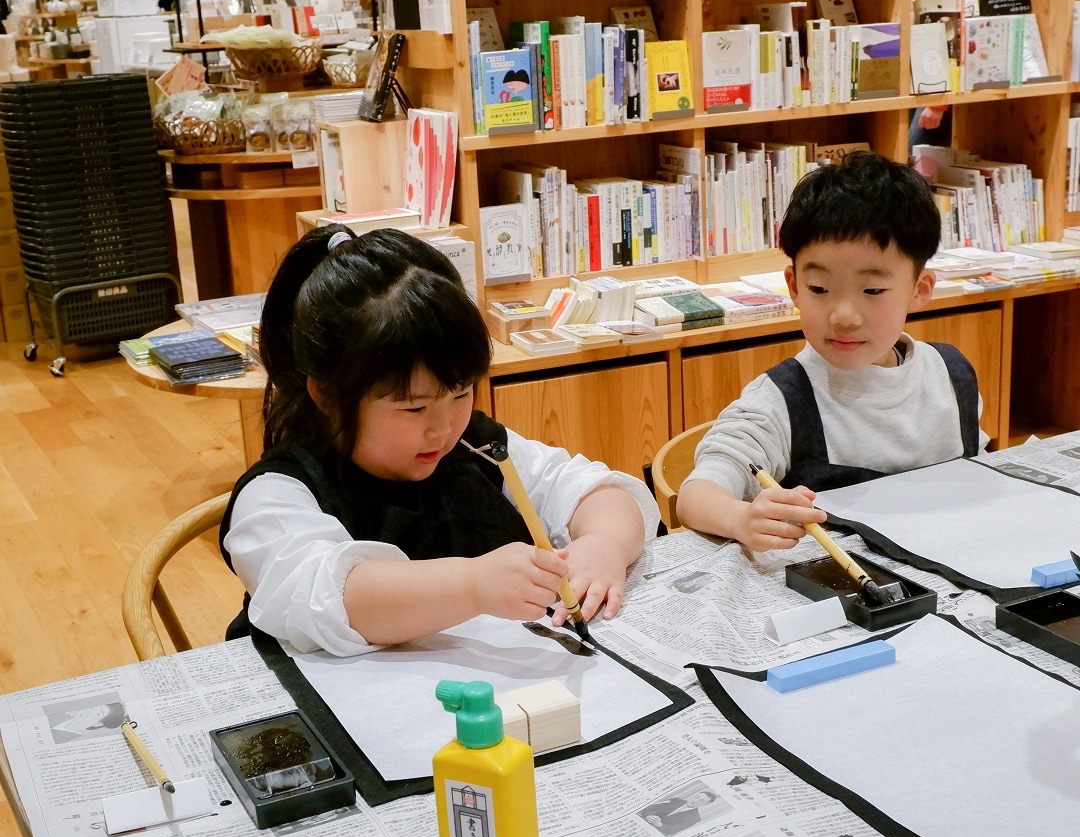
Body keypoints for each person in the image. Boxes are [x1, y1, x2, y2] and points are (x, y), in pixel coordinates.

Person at [220, 226, 658, 654]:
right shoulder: (279, 493)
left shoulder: (478, 448)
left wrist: (603, 545)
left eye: (461, 393)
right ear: (328, 395)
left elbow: (595, 491)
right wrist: (472, 585)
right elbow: (330, 598)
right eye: (414, 407)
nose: (444, 427)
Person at [677, 150, 987, 550]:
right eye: (819, 290)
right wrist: (741, 517)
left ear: (919, 289)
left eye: (872, 291)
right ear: (793, 287)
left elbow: (978, 475)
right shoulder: (780, 400)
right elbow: (696, 495)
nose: (844, 316)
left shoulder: (951, 375)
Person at [642, 789, 719, 836]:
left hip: (657, 831)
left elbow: (674, 829)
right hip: (644, 821)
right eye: (696, 797)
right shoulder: (676, 800)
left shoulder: (695, 818)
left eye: (701, 801)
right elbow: (652, 807)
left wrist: (660, 825)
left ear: (705, 804)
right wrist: (648, 816)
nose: (695, 800)